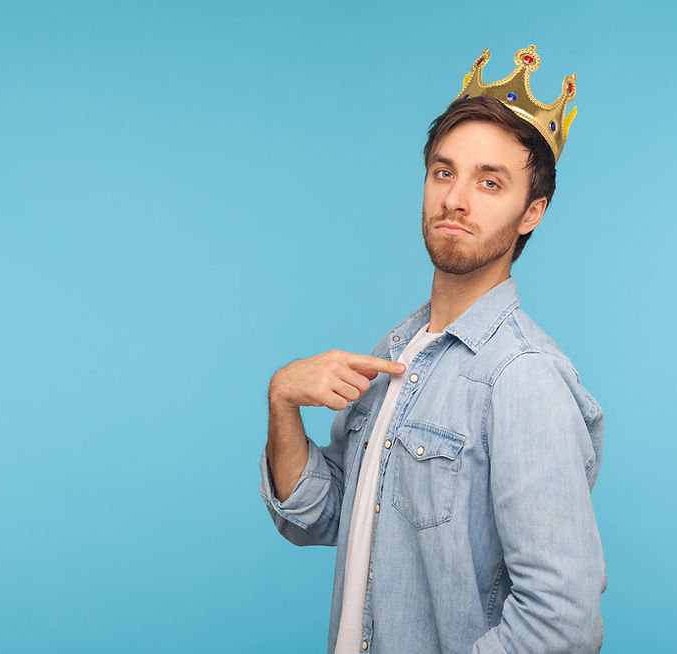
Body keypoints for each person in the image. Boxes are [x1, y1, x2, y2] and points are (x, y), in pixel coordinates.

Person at [259, 45, 606, 654]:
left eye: (489, 182)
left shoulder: (522, 378)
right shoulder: (399, 351)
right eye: (444, 173)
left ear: (532, 213)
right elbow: (322, 516)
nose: (455, 200)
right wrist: (282, 400)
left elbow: (562, 624)